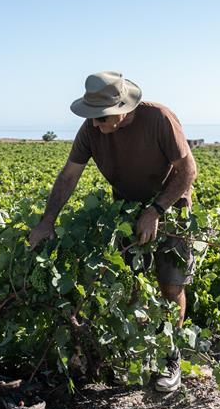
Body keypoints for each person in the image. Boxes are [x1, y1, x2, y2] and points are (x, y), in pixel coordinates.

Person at [28, 71, 198, 392]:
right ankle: (130, 348)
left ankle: (169, 357)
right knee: (128, 282)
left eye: (100, 118)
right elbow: (69, 176)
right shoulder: (91, 130)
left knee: (170, 286)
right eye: (91, 117)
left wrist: (156, 210)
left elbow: (188, 170)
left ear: (121, 111)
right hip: (125, 213)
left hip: (172, 208)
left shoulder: (159, 119)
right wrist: (47, 221)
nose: (94, 124)